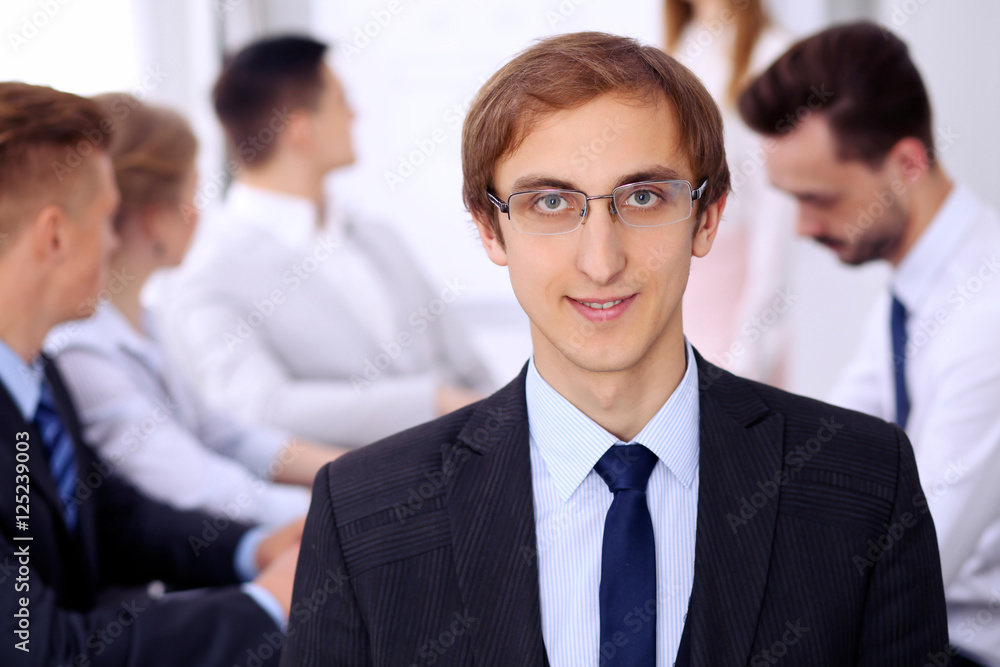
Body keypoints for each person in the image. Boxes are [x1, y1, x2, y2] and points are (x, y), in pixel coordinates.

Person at [281, 31, 948, 667]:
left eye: (644, 196)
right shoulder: (364, 511)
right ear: (490, 230)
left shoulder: (864, 482)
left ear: (706, 217)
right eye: (549, 201)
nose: (601, 261)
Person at [0, 82, 301, 667]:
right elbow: (42, 651)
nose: (115, 241)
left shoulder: (40, 377)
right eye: (109, 219)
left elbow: (114, 518)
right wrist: (266, 604)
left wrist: (251, 548)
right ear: (55, 236)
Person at [738, 21, 1000, 667]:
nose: (802, 227)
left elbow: (916, 561)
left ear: (907, 164)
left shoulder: (987, 315)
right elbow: (822, 464)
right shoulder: (915, 292)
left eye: (819, 199)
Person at [155, 35, 493, 447]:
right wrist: (432, 401)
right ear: (301, 130)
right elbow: (258, 406)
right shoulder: (207, 268)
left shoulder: (378, 238)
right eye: (341, 103)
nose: (356, 115)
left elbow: (469, 367)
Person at [44, 95, 344, 526]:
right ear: (154, 219)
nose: (199, 213)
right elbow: (199, 487)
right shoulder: (81, 349)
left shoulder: (145, 318)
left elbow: (226, 436)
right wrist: (353, 504)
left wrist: (357, 472)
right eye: (192, 193)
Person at [665, 0, 797, 385]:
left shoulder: (772, 55)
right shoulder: (683, 48)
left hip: (737, 296)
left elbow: (778, 215)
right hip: (681, 284)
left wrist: (752, 341)